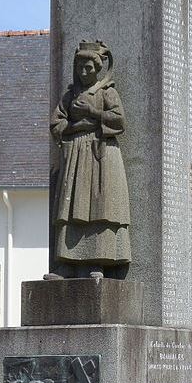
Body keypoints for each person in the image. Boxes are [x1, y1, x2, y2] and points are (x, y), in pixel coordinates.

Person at [50, 41, 130, 278]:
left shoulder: (107, 92)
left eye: (88, 68)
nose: (84, 73)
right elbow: (56, 123)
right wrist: (77, 126)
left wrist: (92, 113)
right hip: (75, 153)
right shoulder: (70, 95)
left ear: (97, 69)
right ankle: (67, 262)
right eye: (80, 68)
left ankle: (98, 260)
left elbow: (118, 121)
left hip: (101, 156)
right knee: (72, 206)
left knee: (99, 206)